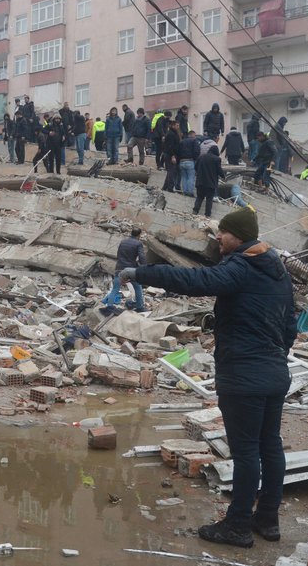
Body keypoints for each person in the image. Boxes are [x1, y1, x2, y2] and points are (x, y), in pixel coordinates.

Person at [122, 206, 295, 548]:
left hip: (244, 373)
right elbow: (290, 324)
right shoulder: (276, 271)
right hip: (274, 372)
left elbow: (197, 281)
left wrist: (141, 274)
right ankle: (268, 520)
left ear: (240, 236)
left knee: (246, 452)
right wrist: (275, 354)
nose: (218, 236)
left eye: (224, 232)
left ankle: (238, 526)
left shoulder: (241, 266)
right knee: (269, 446)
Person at [107, 228, 146, 312]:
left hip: (119, 268)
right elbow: (142, 257)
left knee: (115, 288)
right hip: (130, 270)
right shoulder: (138, 243)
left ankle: (109, 306)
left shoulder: (123, 242)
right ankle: (139, 307)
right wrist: (144, 267)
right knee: (138, 287)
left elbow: (118, 254)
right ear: (139, 235)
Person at [194, 145, 225, 217]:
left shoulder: (201, 157)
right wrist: (223, 176)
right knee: (209, 199)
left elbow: (195, 167)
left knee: (199, 197)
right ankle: (207, 215)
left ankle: (195, 211)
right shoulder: (217, 159)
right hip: (210, 183)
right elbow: (219, 170)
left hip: (200, 182)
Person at [177, 130, 201, 197]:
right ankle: (190, 192)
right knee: (191, 177)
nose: (195, 137)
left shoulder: (182, 141)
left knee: (184, 177)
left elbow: (178, 151)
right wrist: (196, 159)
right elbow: (197, 151)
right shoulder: (194, 141)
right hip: (190, 161)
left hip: (181, 161)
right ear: (193, 135)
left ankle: (185, 191)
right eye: (195, 135)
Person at [162, 120, 182, 192]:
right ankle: (170, 188)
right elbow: (170, 146)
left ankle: (165, 187)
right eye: (177, 125)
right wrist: (173, 156)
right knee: (172, 171)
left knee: (170, 171)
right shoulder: (171, 134)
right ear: (173, 125)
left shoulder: (174, 133)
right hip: (170, 155)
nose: (178, 127)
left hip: (170, 154)